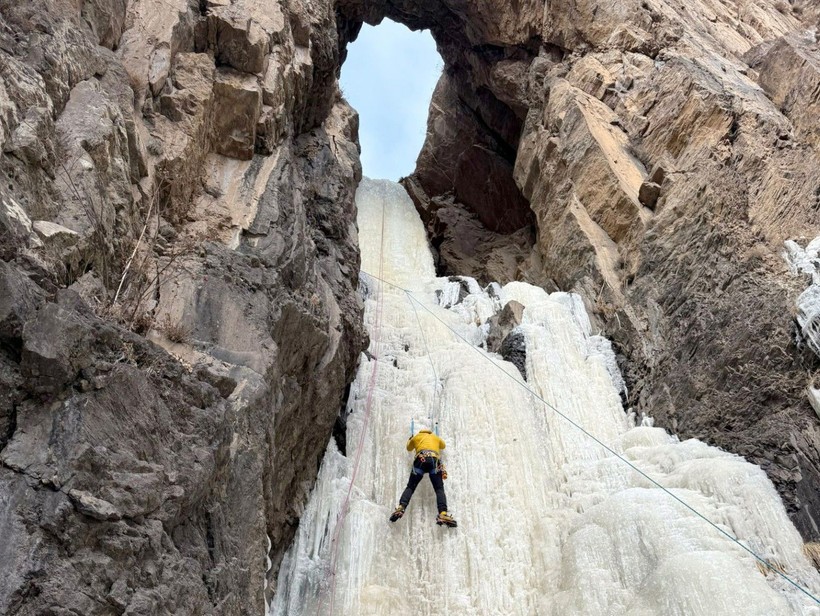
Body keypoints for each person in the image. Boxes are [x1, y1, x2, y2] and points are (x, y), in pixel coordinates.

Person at [389, 427, 457, 527]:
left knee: (410, 487)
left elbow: (408, 448)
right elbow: (443, 446)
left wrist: (410, 439)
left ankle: (401, 507)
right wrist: (436, 440)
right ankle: (443, 514)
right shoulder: (435, 437)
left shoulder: (416, 437)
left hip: (420, 460)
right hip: (434, 461)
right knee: (439, 489)